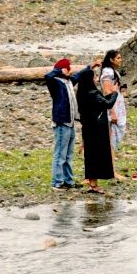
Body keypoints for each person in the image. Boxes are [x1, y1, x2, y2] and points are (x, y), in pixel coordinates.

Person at [74, 61, 118, 193]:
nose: (96, 79)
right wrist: (115, 93)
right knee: (98, 155)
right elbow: (108, 104)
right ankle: (94, 184)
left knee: (91, 155)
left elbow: (102, 102)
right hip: (97, 129)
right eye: (94, 77)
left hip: (88, 127)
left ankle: (93, 183)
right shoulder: (93, 93)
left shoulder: (82, 93)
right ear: (89, 79)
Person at [45, 58, 80, 190]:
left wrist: (91, 66)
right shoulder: (54, 83)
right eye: (68, 68)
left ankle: (68, 180)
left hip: (70, 122)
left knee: (68, 154)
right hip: (61, 122)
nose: (70, 70)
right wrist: (59, 70)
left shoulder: (69, 82)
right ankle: (57, 182)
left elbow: (78, 76)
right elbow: (47, 76)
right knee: (60, 153)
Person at [100, 49, 128, 173]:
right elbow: (107, 92)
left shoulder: (113, 72)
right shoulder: (107, 72)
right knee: (111, 138)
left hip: (117, 104)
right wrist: (112, 112)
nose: (120, 60)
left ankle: (110, 168)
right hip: (112, 107)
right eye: (118, 58)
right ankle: (111, 170)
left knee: (113, 137)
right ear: (111, 59)